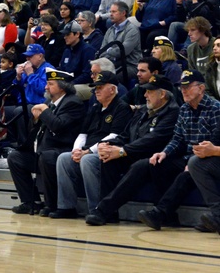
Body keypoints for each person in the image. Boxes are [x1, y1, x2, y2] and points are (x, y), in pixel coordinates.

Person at [87, 71, 220, 225]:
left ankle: (161, 213)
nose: (183, 90)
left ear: (201, 88)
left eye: (188, 87)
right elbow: (177, 139)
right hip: (184, 157)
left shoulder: (213, 109)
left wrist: (192, 162)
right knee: (153, 162)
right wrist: (164, 153)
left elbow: (213, 143)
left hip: (205, 160)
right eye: (182, 87)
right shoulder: (184, 109)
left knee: (185, 173)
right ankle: (106, 211)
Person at [51, 72, 132, 218]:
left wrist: (87, 152)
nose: (96, 90)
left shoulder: (122, 108)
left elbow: (115, 136)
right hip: (87, 151)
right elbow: (83, 133)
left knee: (87, 160)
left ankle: (97, 209)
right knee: (64, 158)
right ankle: (66, 207)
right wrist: (77, 150)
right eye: (95, 87)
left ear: (112, 89)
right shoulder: (95, 108)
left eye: (100, 87)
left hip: (106, 153)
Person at [8, 68, 86, 215]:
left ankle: (53, 205)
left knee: (47, 156)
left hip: (63, 150)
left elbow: (58, 126)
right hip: (45, 150)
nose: (45, 87)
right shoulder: (50, 102)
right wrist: (36, 118)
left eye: (50, 84)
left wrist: (44, 111)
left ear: (62, 87)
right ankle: (31, 202)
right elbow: (39, 129)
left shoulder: (73, 103)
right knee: (15, 157)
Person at [100, 2, 142, 82]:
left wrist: (109, 51)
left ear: (123, 13)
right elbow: (102, 51)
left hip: (130, 65)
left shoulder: (132, 30)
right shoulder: (110, 30)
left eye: (114, 12)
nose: (110, 14)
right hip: (112, 64)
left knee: (112, 78)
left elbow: (123, 51)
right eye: (110, 12)